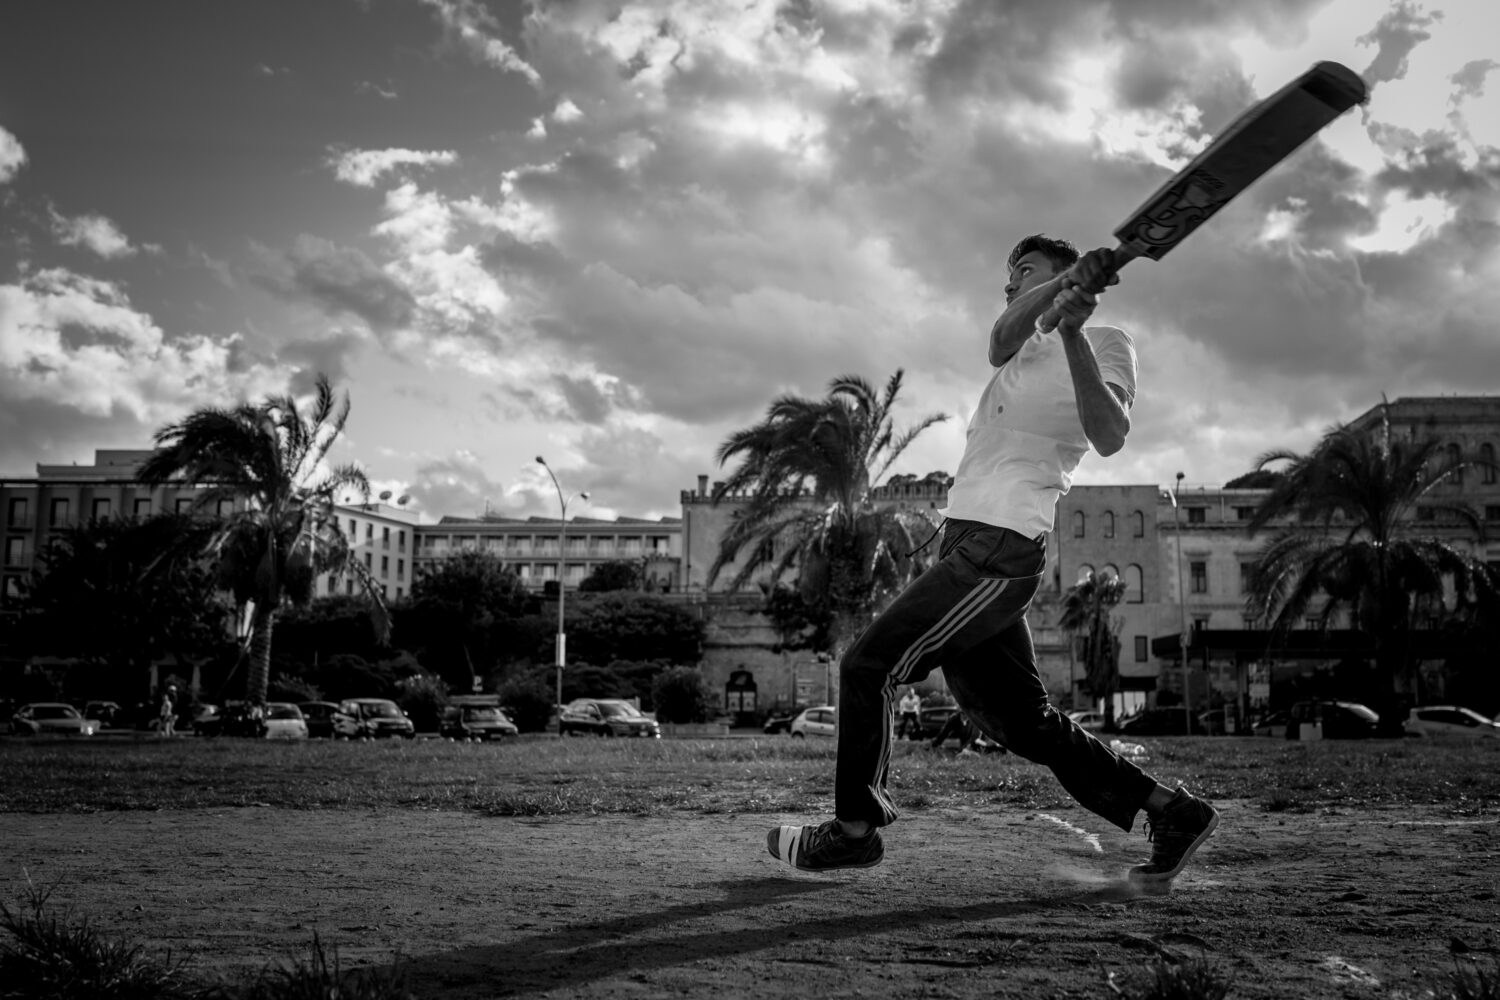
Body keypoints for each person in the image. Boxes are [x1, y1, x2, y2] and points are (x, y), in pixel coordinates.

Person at [766, 235, 1219, 884]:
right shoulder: (1018, 346)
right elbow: (999, 335)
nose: (1009, 287)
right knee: (1022, 722)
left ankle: (854, 831)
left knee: (870, 664)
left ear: (1064, 274)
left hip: (999, 550)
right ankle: (1171, 810)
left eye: (1024, 273)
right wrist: (1055, 298)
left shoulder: (1107, 340)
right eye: (1008, 278)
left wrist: (1074, 329)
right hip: (968, 546)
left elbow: (1110, 433)